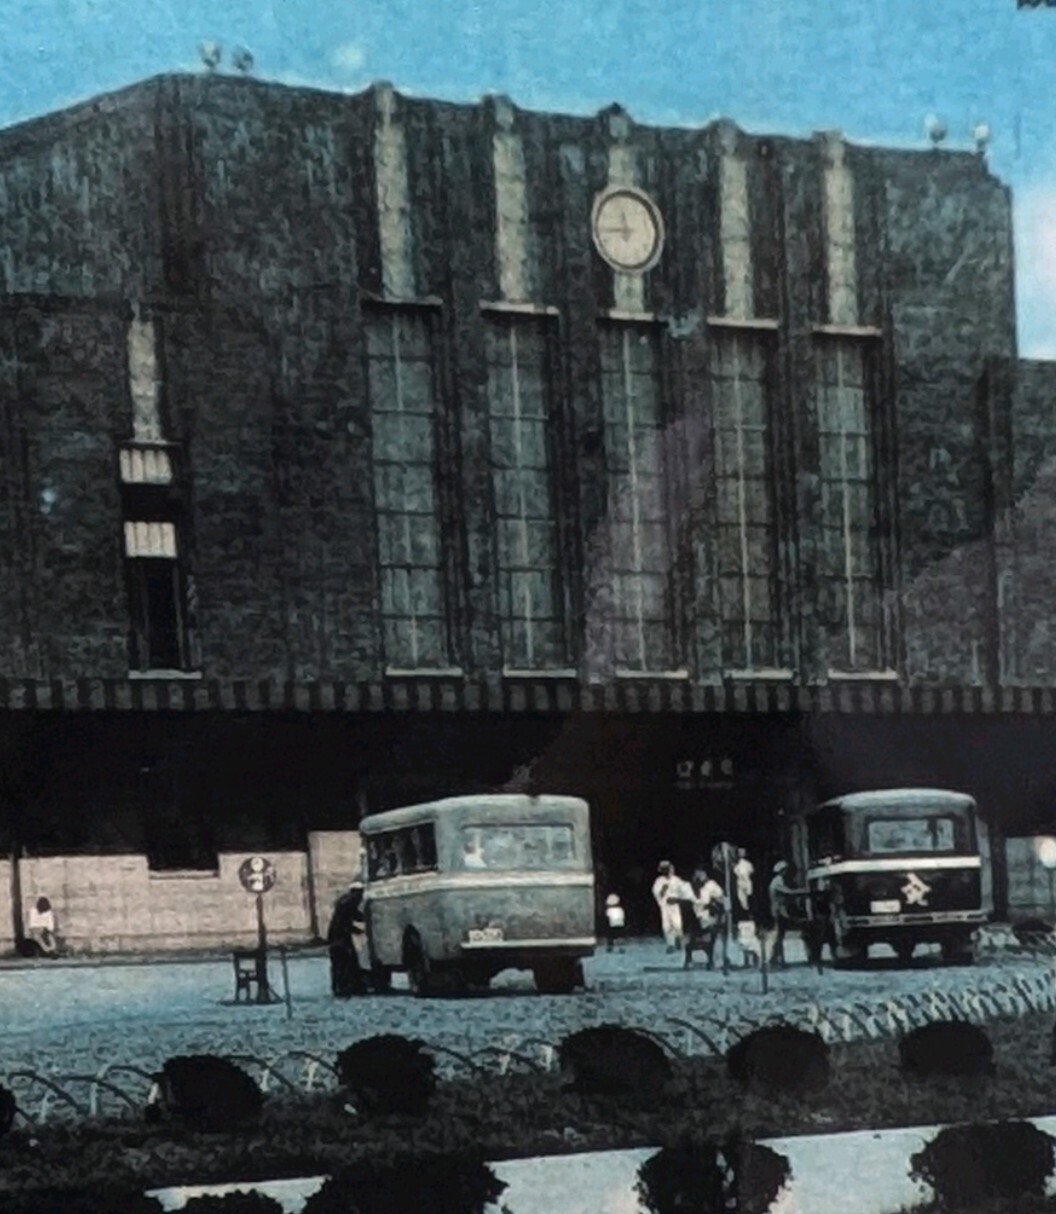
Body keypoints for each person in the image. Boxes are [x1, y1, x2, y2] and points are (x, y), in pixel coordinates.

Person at [326, 883, 368, 997]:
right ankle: (344, 987)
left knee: (342, 962)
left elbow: (355, 915)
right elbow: (344, 921)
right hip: (339, 937)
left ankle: (341, 987)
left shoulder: (345, 901)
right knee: (344, 961)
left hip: (337, 936)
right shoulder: (349, 902)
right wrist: (356, 930)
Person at [684, 867, 726, 970]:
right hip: (696, 918)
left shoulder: (711, 886)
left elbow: (722, 899)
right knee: (693, 938)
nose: (697, 881)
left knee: (713, 935)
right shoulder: (690, 888)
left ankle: (713, 960)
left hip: (710, 917)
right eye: (696, 878)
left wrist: (713, 904)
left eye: (699, 878)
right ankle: (689, 959)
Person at [768, 860, 806, 967]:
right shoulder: (778, 881)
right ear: (782, 871)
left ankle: (775, 958)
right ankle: (778, 959)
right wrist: (803, 891)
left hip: (779, 909)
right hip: (779, 910)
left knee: (780, 935)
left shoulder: (777, 880)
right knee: (779, 936)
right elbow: (788, 892)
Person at [652, 861, 685, 953]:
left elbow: (683, 892)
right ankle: (671, 944)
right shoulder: (659, 881)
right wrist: (663, 890)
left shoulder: (677, 880)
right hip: (665, 906)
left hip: (675, 906)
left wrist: (677, 899)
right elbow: (657, 893)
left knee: (677, 924)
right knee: (667, 926)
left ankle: (678, 939)